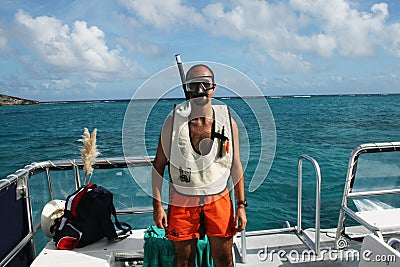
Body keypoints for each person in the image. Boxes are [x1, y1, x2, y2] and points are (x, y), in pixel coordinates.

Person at [152, 64, 247, 267]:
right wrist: (157, 207)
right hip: (182, 198)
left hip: (219, 197)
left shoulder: (229, 123)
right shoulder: (172, 124)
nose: (200, 91)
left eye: (204, 84)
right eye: (193, 86)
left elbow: (235, 166)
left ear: (213, 87)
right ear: (186, 89)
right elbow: (158, 165)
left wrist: (241, 205)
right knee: (183, 260)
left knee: (224, 259)